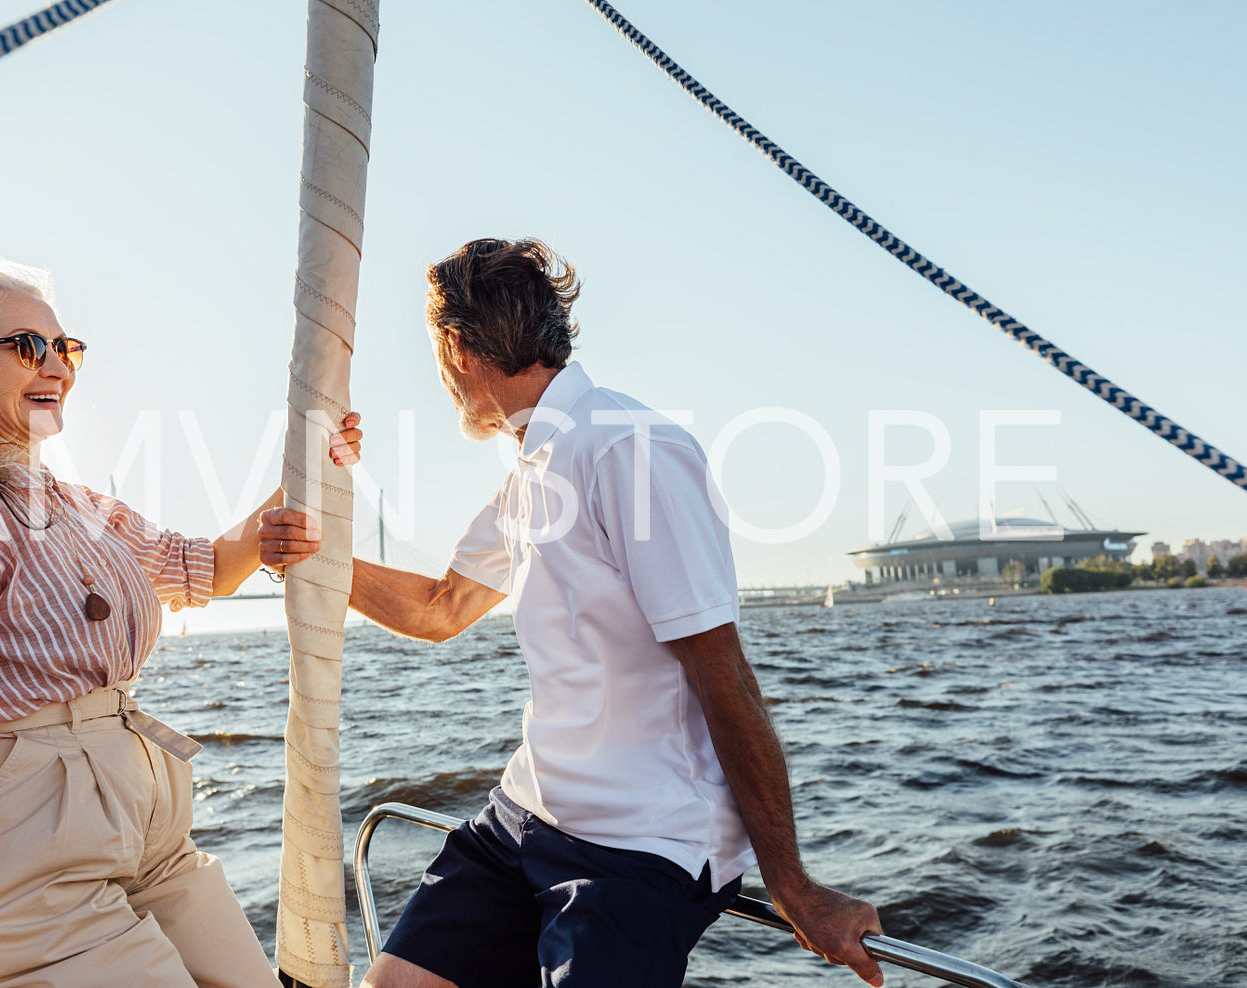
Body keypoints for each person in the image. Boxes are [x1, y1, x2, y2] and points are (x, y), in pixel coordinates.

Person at [263, 238, 884, 988]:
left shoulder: (628, 447)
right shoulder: (532, 461)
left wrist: (791, 885)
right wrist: (316, 554)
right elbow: (441, 608)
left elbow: (722, 671)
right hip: (524, 815)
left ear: (455, 348)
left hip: (639, 844)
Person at [0, 262, 360, 988]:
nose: (57, 366)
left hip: (144, 837)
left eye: (68, 349)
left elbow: (204, 568)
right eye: (29, 346)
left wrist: (312, 468)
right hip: (24, 860)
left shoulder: (72, 504)